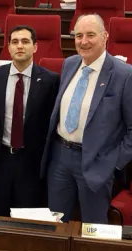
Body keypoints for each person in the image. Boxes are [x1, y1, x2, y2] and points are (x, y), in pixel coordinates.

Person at [42, 14, 132, 223]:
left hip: (97, 164)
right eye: (79, 35)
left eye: (90, 35)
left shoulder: (124, 74)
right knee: (56, 225)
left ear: (105, 36)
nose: (83, 41)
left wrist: (114, 163)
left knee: (94, 229)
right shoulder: (70, 64)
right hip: (60, 158)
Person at [0, 26, 59, 216]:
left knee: (27, 217)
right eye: (15, 42)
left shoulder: (50, 80)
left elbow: (50, 120)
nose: (20, 46)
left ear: (35, 47)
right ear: (8, 47)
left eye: (25, 41)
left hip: (31, 161)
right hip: (1, 158)